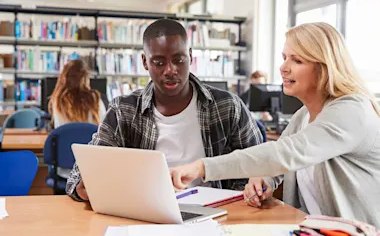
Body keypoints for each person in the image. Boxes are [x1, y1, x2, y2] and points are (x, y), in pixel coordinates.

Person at [170, 22, 380, 228]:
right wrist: (265, 179)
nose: (283, 68)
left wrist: (202, 167)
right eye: (284, 57)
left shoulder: (352, 111)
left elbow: (285, 153)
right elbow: (279, 165)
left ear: (325, 67)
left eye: (297, 60)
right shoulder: (303, 116)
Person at [66, 19, 263, 201]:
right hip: (145, 210)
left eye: (179, 60)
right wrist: (86, 186)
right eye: (159, 63)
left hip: (216, 212)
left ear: (191, 57)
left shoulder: (228, 106)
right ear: (144, 62)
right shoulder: (123, 110)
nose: (170, 70)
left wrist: (237, 195)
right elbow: (77, 176)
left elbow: (262, 163)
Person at [48, 59, 107, 185]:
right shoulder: (96, 100)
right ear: (86, 78)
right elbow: (104, 133)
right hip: (91, 171)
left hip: (63, 171)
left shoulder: (57, 101)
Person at [49, 59, 107, 128]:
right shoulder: (95, 99)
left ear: (63, 78)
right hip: (91, 138)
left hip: (66, 139)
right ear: (85, 79)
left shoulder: (58, 100)